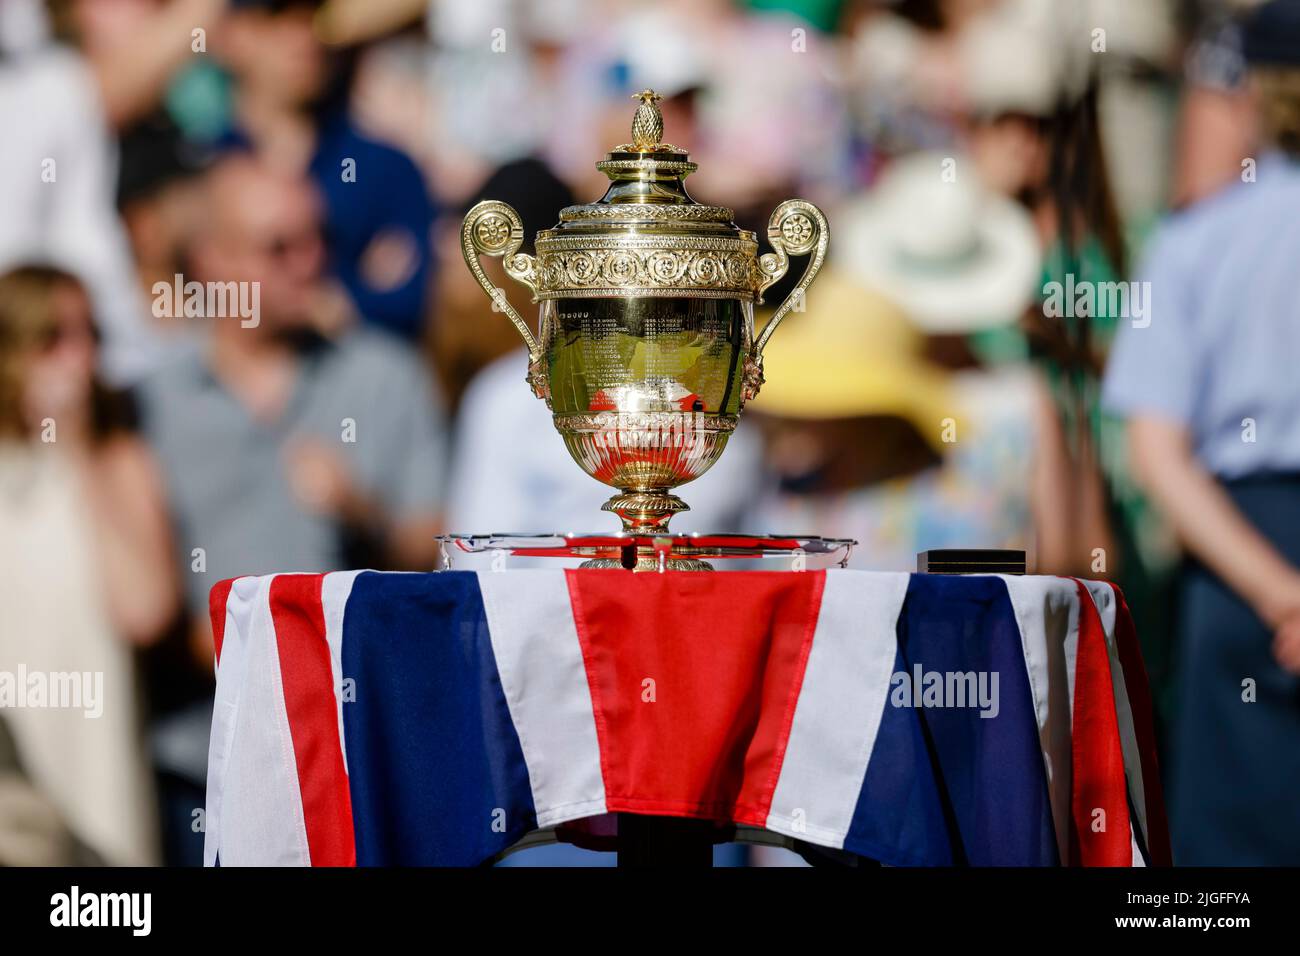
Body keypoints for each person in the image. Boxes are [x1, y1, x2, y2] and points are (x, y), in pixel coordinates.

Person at [137, 156, 447, 861]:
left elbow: (435, 558)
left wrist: (359, 509)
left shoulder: (384, 376)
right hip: (198, 762)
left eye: (319, 241)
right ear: (212, 261)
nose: (309, 263)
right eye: (279, 247)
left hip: (356, 760)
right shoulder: (151, 401)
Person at [1102, 0, 1300, 866]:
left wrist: (1281, 596)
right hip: (1252, 545)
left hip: (1240, 562)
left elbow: (1158, 456)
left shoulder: (1197, 242)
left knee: (1233, 864)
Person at [0, 264, 175, 865]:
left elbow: (145, 611)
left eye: (89, 336)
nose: (80, 359)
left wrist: (75, 455)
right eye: (53, 339)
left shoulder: (120, 462)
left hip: (95, 769)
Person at [214, 0, 436, 340]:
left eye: (314, 18)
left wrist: (347, 306)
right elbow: (187, 302)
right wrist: (340, 296)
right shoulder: (203, 166)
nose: (306, 38)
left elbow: (414, 297)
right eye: (278, 20)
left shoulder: (385, 168)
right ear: (230, 36)